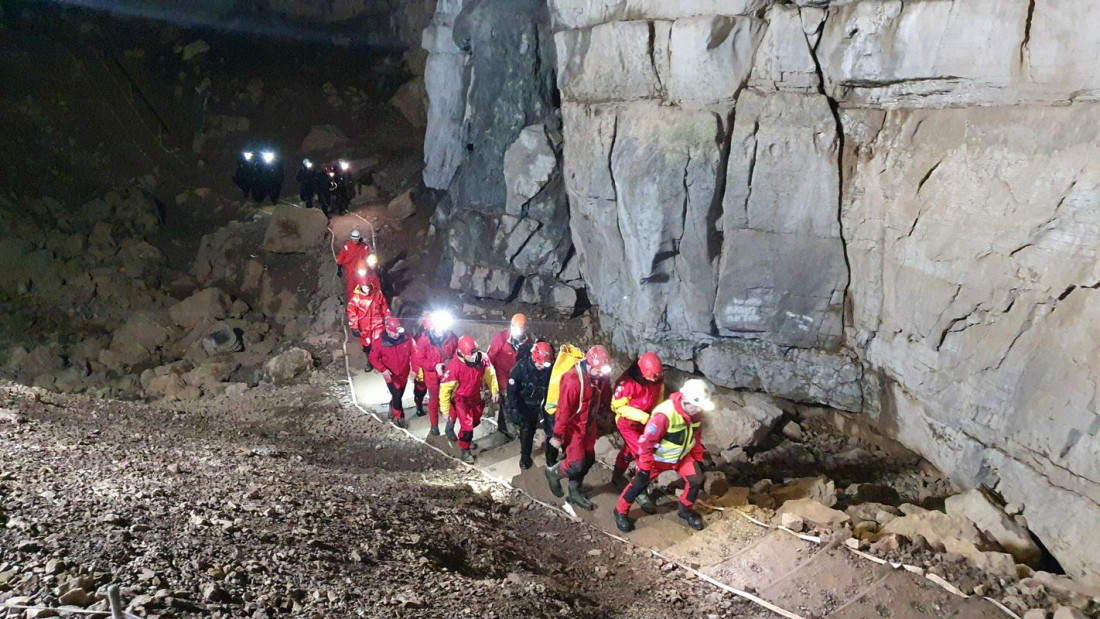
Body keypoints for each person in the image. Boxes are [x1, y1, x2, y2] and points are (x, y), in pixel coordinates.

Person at [614, 378, 715, 533]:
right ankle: (620, 511)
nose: (699, 410)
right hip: (658, 459)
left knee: (696, 479)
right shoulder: (664, 415)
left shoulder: (696, 415)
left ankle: (685, 510)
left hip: (681, 458)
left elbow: (696, 438)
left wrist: (698, 458)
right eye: (697, 406)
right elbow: (646, 442)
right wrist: (645, 466)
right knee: (639, 483)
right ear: (686, 399)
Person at [545, 345, 613, 510]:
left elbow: (604, 392)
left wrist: (606, 408)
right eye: (598, 372)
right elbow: (564, 409)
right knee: (576, 464)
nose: (602, 375)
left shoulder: (599, 375)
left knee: (588, 460)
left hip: (589, 426)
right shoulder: (573, 380)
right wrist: (557, 435)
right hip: (574, 428)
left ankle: (574, 492)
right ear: (589, 365)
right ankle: (553, 473)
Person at [610, 353, 666, 515]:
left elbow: (659, 396)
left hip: (647, 420)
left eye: (658, 376)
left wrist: (657, 416)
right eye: (653, 377)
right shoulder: (627, 382)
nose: (655, 380)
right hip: (628, 423)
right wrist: (643, 417)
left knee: (630, 450)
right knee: (643, 456)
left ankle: (617, 475)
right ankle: (639, 491)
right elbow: (617, 406)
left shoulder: (657, 378)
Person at [438, 336, 499, 463]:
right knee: (467, 426)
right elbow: (444, 390)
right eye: (470, 354)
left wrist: (494, 390)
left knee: (476, 420)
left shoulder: (482, 359)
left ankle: (464, 437)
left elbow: (490, 374)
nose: (474, 356)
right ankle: (465, 450)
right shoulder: (454, 367)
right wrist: (444, 410)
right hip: (461, 399)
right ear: (461, 353)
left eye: (475, 352)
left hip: (475, 395)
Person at [507, 341, 555, 470]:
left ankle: (551, 459)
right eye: (539, 363)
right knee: (527, 429)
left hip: (545, 401)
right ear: (533, 357)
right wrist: (514, 408)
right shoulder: (521, 368)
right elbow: (512, 390)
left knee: (552, 429)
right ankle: (525, 456)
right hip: (527, 402)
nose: (542, 366)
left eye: (545, 364)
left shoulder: (551, 368)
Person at [412, 312, 459, 437]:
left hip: (448, 375)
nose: (441, 329)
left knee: (452, 400)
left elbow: (456, 352)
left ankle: (450, 428)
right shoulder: (424, 341)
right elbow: (420, 359)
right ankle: (434, 425)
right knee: (434, 400)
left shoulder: (451, 336)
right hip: (433, 377)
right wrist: (435, 366)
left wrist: (452, 365)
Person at [487, 313, 531, 439]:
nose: (517, 332)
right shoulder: (499, 339)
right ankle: (510, 427)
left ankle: (504, 425)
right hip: (502, 376)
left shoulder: (527, 341)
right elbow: (489, 360)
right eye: (515, 328)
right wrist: (491, 383)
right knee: (508, 401)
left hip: (518, 377)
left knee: (517, 399)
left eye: (520, 329)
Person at [370, 316, 414, 428]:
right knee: (397, 395)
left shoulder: (406, 338)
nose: (397, 335)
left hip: (403, 373)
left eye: (398, 332)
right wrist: (383, 370)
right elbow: (373, 358)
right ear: (388, 330)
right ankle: (399, 417)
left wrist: (415, 368)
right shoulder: (379, 343)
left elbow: (414, 352)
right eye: (394, 332)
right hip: (390, 375)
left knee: (399, 394)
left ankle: (393, 405)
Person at [346, 279, 389, 372]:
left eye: (368, 287)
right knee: (367, 345)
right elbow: (352, 313)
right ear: (361, 287)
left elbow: (384, 306)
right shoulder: (355, 298)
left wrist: (387, 317)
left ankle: (382, 362)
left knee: (379, 343)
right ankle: (370, 362)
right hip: (364, 327)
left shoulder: (377, 293)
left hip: (377, 324)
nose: (367, 289)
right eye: (365, 287)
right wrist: (354, 327)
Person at [336, 229, 373, 299]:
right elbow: (341, 257)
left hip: (361, 270)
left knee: (364, 286)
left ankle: (364, 302)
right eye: (354, 239)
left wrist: (370, 267)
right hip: (350, 271)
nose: (355, 240)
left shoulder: (364, 247)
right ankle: (353, 305)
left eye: (356, 239)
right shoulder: (347, 247)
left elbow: (368, 257)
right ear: (351, 238)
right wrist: (339, 268)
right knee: (351, 288)